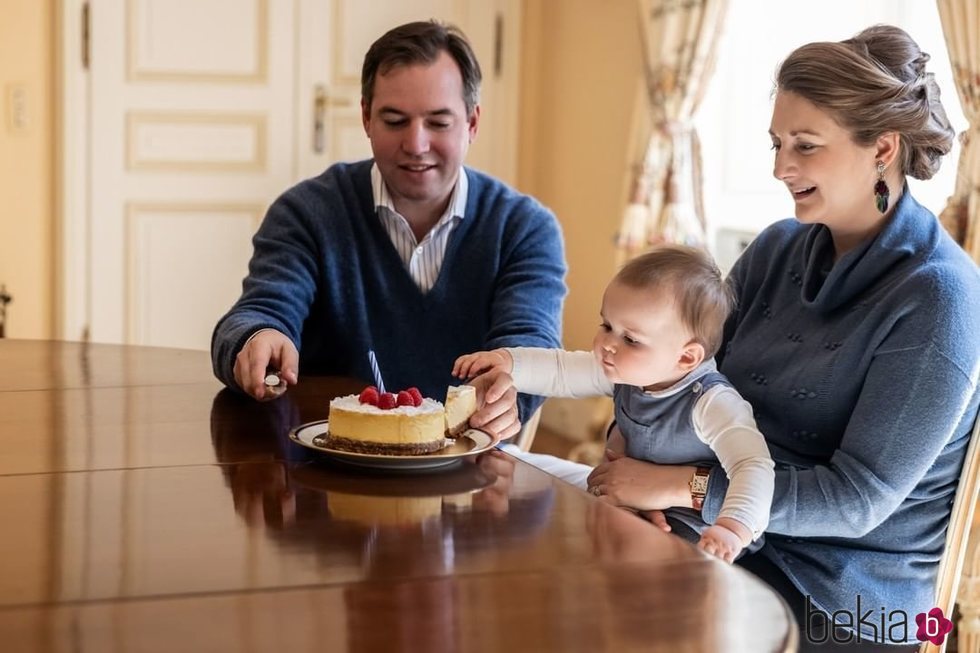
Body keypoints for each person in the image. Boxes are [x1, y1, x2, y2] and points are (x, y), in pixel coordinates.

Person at [579, 26, 979, 650]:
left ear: (883, 148)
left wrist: (677, 487)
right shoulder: (776, 249)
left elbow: (857, 501)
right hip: (721, 532)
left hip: (848, 596)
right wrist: (631, 446)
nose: (780, 167)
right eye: (775, 143)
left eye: (805, 146)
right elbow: (678, 373)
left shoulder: (940, 298)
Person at [210, 21, 566, 441]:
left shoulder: (524, 229)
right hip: (327, 468)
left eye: (438, 123)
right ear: (366, 117)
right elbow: (257, 313)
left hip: (470, 465)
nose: (416, 144)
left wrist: (511, 389)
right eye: (395, 120)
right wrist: (256, 337)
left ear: (471, 123)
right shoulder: (306, 212)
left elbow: (530, 347)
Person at [454, 244, 775, 562]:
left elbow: (752, 465)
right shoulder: (627, 370)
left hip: (696, 523)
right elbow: (560, 371)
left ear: (686, 356)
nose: (607, 344)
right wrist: (507, 361)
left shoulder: (712, 402)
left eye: (631, 339)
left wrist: (733, 528)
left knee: (651, 567)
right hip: (630, 498)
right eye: (606, 325)